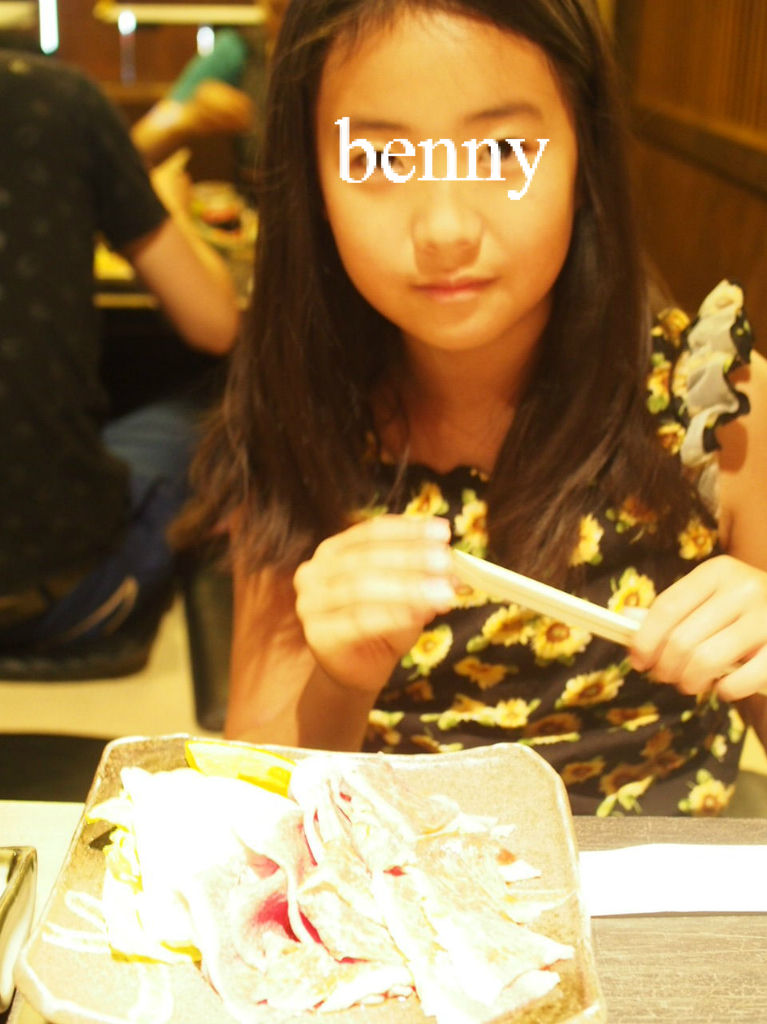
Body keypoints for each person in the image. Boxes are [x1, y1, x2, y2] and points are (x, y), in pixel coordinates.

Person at [178, 0, 767, 816]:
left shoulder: (711, 406)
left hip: (656, 886)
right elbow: (252, 795)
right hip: (398, 881)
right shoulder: (302, 408)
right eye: (377, 159)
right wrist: (340, 680)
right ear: (310, 178)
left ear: (584, 154)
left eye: (502, 151)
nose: (445, 227)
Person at [0, 50, 239, 655]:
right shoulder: (54, 100)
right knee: (217, 400)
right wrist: (170, 204)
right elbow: (215, 326)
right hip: (60, 597)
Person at [130, 0, 290, 199]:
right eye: (276, 11)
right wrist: (189, 115)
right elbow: (143, 139)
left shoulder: (325, 52)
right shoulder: (238, 49)